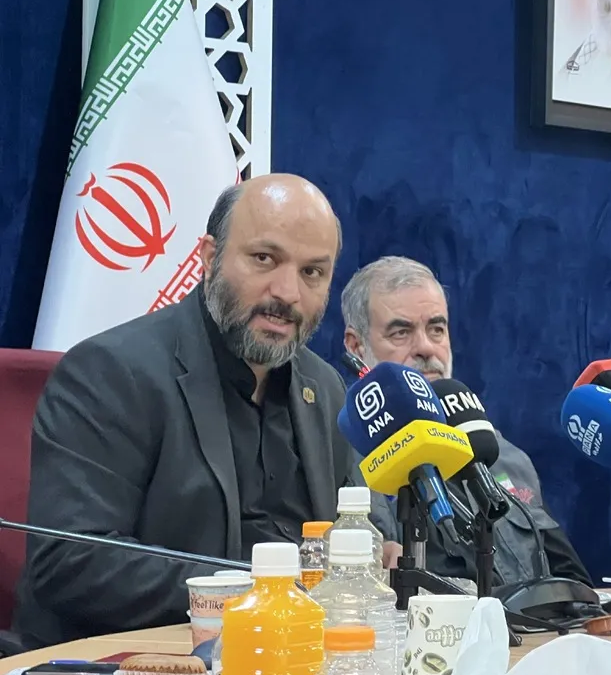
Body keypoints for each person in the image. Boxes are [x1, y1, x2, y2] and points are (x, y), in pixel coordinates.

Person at [14, 175, 394, 649]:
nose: (287, 292)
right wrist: (257, 589)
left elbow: (358, 519)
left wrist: (375, 551)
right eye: (264, 258)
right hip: (133, 660)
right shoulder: (110, 372)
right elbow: (71, 560)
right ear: (209, 257)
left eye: (312, 272)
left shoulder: (325, 386)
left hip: (292, 654)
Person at [341, 256, 591, 586]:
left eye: (437, 329)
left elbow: (573, 583)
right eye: (401, 332)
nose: (426, 348)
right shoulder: (340, 460)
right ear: (356, 347)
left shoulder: (497, 450)